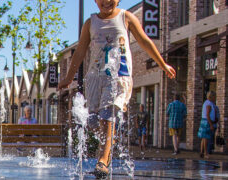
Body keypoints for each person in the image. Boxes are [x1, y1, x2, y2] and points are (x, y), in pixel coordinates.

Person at [58, 0, 176, 178]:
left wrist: (162, 63)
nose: (106, 2)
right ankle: (108, 146)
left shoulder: (125, 18)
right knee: (92, 121)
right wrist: (68, 78)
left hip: (118, 75)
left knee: (107, 115)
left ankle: (103, 160)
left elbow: (144, 40)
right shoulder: (90, 23)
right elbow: (80, 51)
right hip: (95, 78)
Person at [197, 91, 217, 159]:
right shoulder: (209, 104)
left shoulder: (207, 103)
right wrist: (211, 124)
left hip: (204, 121)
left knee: (203, 138)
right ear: (211, 97)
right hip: (207, 122)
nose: (215, 98)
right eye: (214, 96)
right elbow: (207, 114)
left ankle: (201, 152)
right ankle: (205, 153)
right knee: (206, 138)